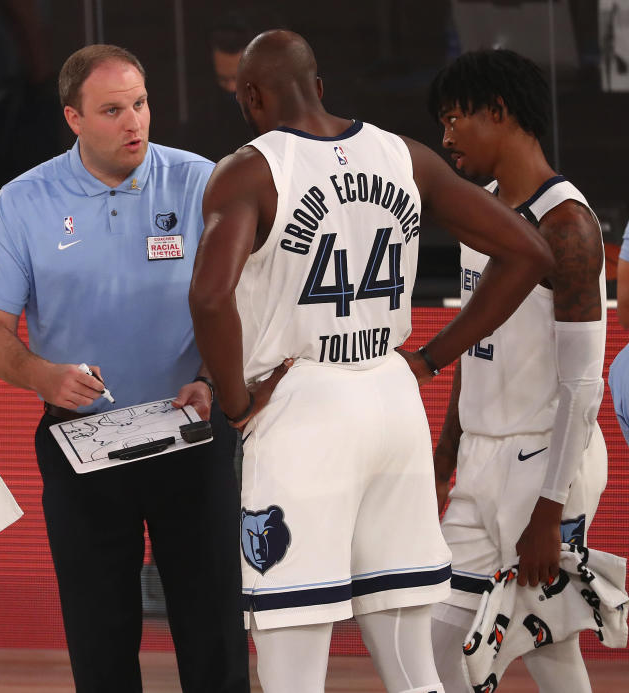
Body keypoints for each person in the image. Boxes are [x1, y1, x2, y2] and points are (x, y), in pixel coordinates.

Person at [188, 31, 553, 693]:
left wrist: (238, 403)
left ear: (250, 96)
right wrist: (432, 357)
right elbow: (529, 251)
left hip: (304, 401)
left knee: (292, 654)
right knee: (413, 662)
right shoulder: (401, 153)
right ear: (319, 86)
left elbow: (211, 295)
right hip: (391, 396)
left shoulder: (249, 167)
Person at [0, 44, 249, 692]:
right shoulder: (23, 202)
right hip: (84, 442)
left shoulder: (202, 181)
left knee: (215, 633)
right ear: (73, 117)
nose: (135, 123)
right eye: (113, 110)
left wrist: (210, 377)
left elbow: (247, 301)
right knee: (100, 639)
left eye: (141, 104)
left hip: (192, 432)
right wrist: (42, 376)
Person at [426, 49, 608, 693]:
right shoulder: (482, 211)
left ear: (498, 112)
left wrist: (550, 510)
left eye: (455, 120)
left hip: (544, 469)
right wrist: (448, 448)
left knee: (549, 651)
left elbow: (585, 383)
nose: (446, 139)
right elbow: (481, 344)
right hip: (480, 456)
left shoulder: (567, 224)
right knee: (435, 642)